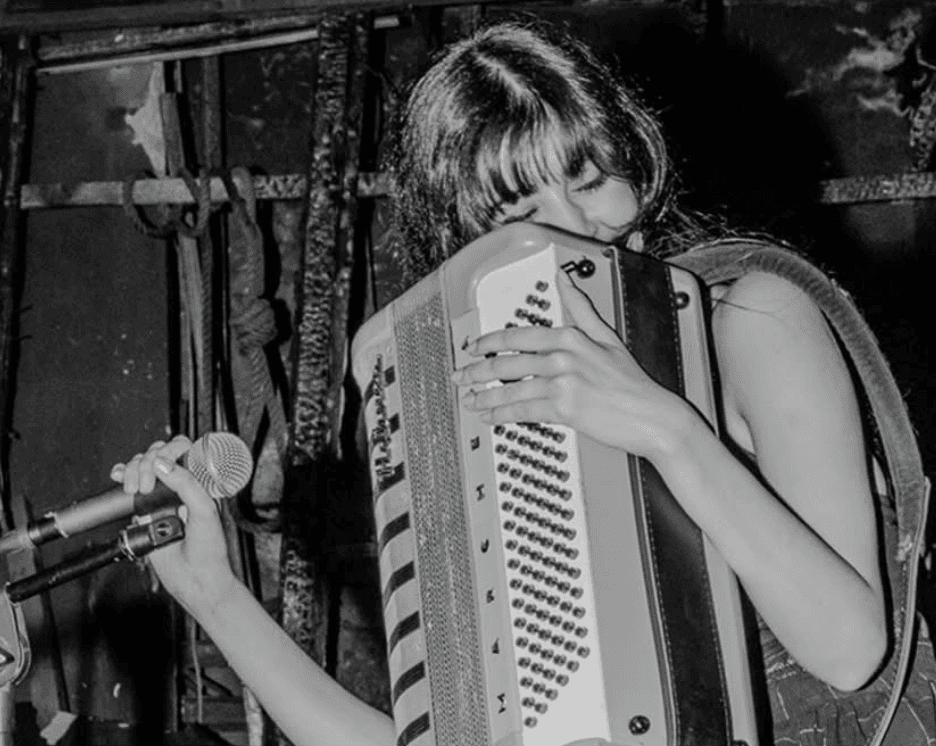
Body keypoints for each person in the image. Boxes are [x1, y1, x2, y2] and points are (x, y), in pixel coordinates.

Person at [110, 19, 934, 746]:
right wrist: (215, 596)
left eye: (587, 179)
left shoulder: (752, 321)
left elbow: (851, 647)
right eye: (520, 214)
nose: (575, 226)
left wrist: (667, 428)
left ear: (635, 160)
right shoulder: (493, 427)